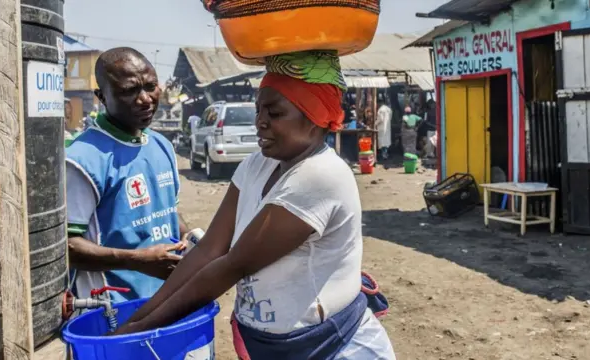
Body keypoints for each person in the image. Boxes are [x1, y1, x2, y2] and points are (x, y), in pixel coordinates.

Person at [114, 51, 396, 359]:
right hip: (274, 348)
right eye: (258, 110)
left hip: (333, 348)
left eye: (274, 114)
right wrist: (137, 319)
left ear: (314, 117)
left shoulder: (319, 174)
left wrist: (136, 332)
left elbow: (234, 264)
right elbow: (209, 249)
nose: (259, 122)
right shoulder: (256, 166)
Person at [65, 47, 200, 303]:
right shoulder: (81, 159)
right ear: (101, 97)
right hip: (110, 311)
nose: (145, 99)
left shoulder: (162, 146)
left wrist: (189, 236)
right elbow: (67, 247)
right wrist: (137, 261)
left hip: (167, 300)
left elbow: (165, 211)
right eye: (129, 91)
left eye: (150, 86)